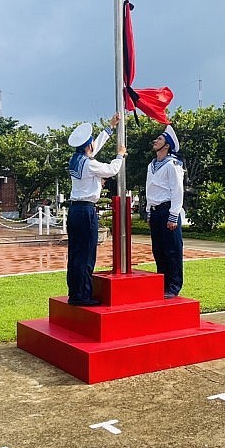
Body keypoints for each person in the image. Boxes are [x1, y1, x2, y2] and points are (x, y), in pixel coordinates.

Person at [66, 113, 126, 306]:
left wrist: (110, 128)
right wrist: (120, 155)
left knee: (75, 253)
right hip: (86, 211)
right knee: (86, 254)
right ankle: (83, 295)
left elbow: (94, 149)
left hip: (75, 210)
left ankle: (75, 292)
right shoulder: (90, 164)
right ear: (87, 146)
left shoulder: (76, 160)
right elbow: (111, 170)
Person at [145, 125, 184, 298]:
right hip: (155, 211)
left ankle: (173, 286)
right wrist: (147, 210)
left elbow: (177, 190)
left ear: (167, 145)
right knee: (158, 249)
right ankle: (162, 283)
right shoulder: (151, 165)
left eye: (159, 139)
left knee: (172, 250)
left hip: (167, 209)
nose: (155, 141)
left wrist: (174, 215)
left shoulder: (172, 164)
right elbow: (149, 188)